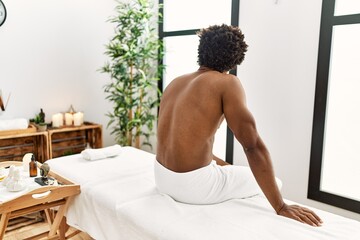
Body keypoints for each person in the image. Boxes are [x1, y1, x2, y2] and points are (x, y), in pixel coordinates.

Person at [155, 24, 322, 227]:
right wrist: (281, 206)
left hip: (161, 178)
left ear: (202, 51)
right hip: (193, 188)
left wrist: (225, 167)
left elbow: (182, 143)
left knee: (231, 170)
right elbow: (252, 146)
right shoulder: (227, 83)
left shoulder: (175, 83)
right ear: (237, 59)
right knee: (275, 182)